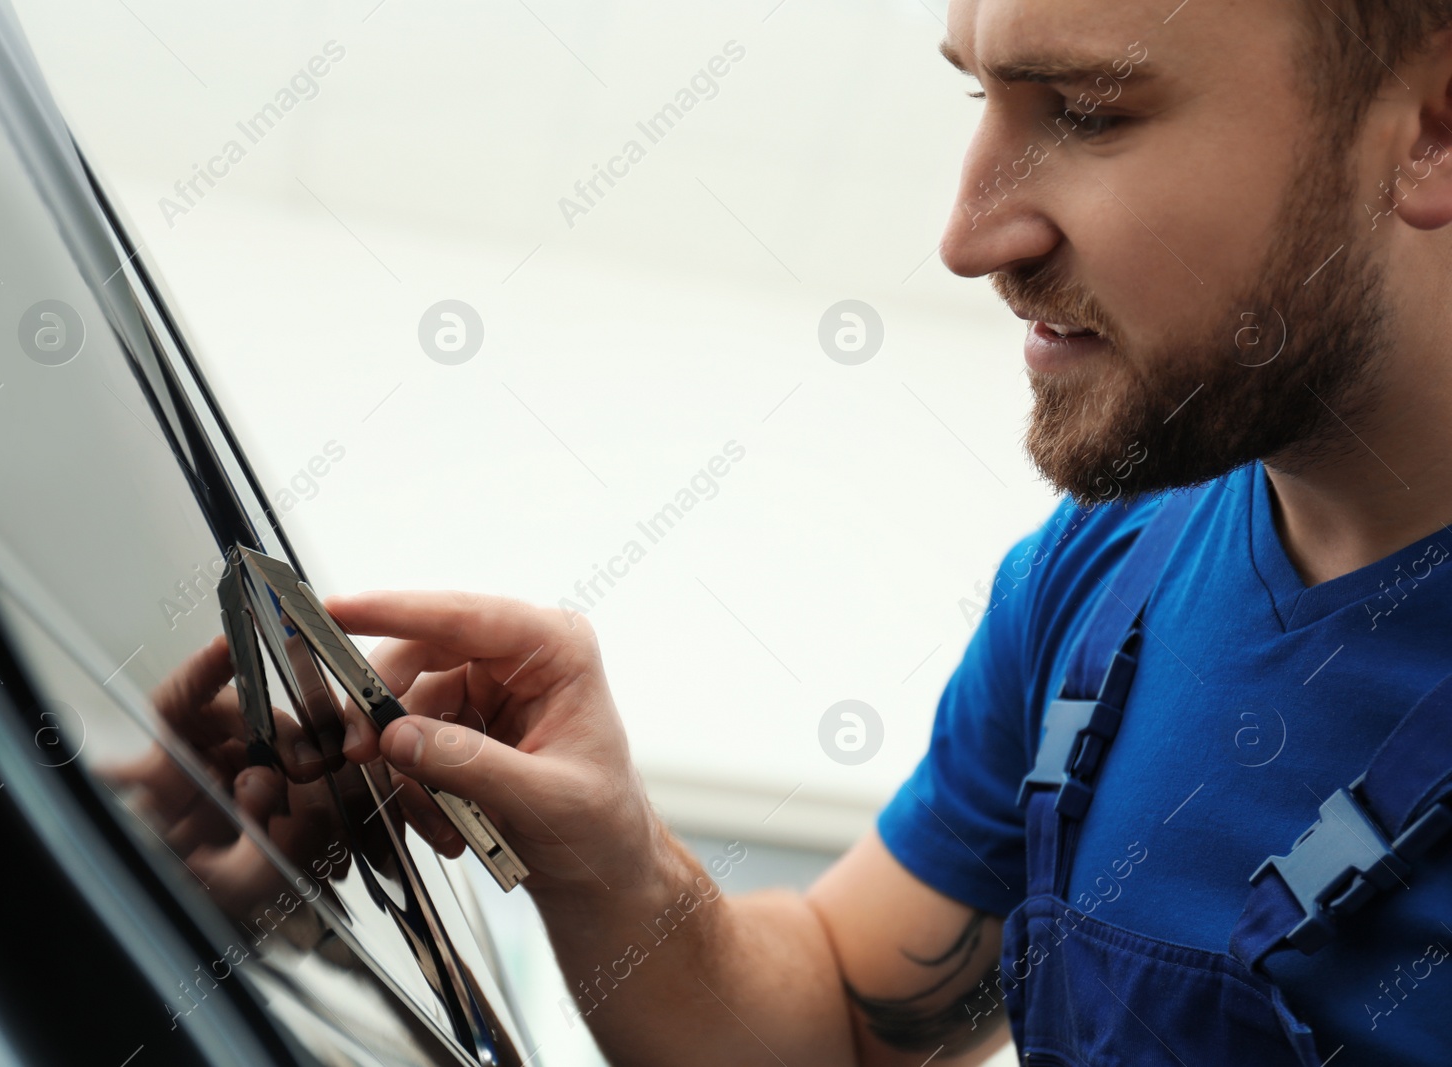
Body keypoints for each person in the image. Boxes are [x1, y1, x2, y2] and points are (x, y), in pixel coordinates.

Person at [307, 1, 1452, 1062]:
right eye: (979, 99)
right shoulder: (1104, 579)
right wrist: (610, 860)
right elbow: (844, 1022)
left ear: (1430, 129)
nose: (966, 236)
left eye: (1089, 113)